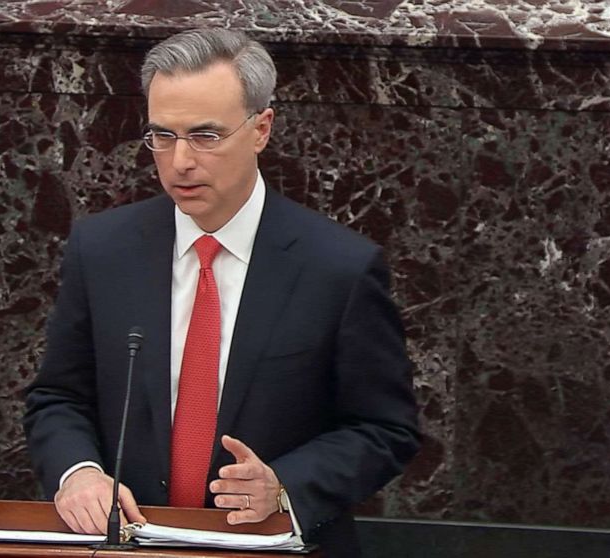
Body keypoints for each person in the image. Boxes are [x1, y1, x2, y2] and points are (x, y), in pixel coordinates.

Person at [23, 28, 420, 555]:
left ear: (261, 129)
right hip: (127, 546)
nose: (181, 160)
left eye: (205, 136)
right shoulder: (103, 251)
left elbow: (383, 427)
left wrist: (284, 485)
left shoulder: (338, 267)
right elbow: (58, 397)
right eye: (163, 136)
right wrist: (80, 474)